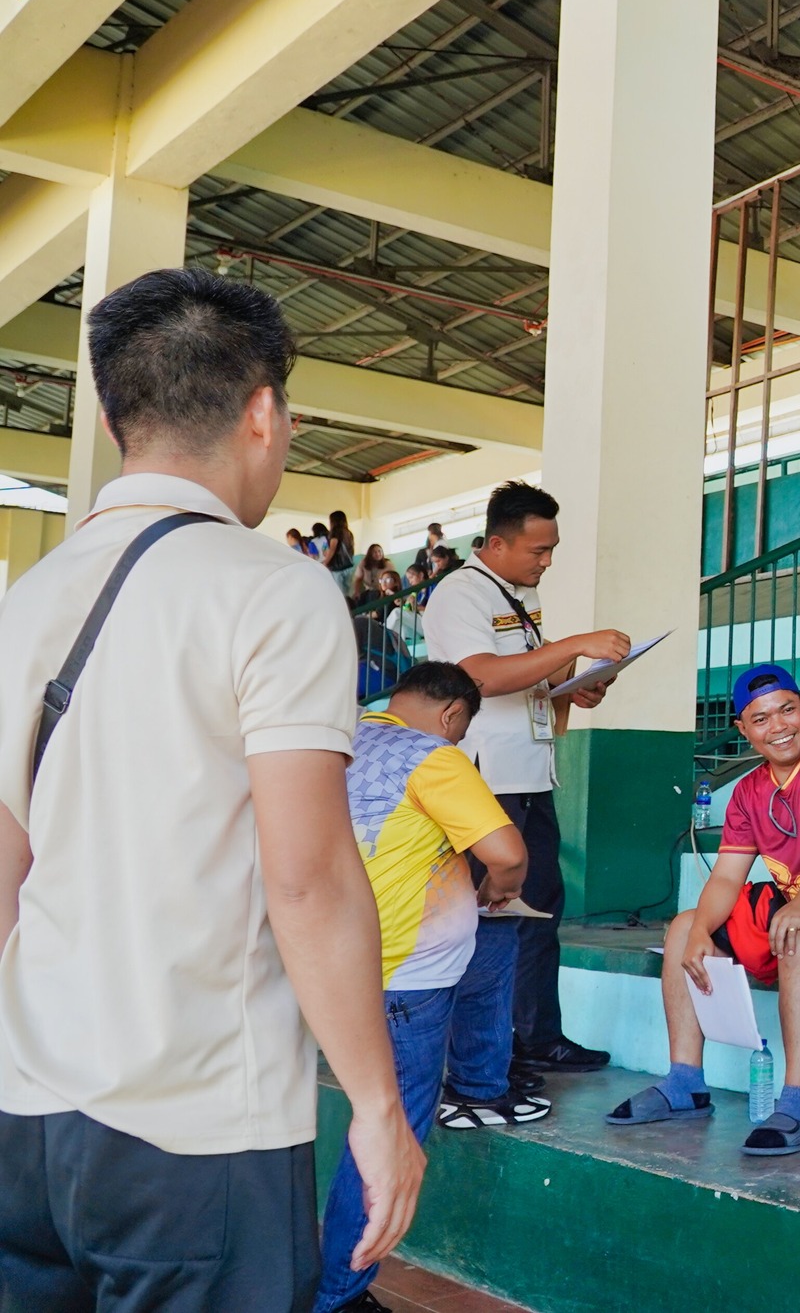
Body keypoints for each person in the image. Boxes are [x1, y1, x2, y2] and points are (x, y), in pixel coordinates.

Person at [0, 269, 421, 1306]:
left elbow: (7, 861)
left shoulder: (29, 597)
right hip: (195, 1130)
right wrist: (378, 1105)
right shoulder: (273, 590)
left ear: (114, 417)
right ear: (264, 413)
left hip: (27, 1117)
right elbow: (308, 878)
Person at [607, 665, 800, 1153]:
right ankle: (685, 1082)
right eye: (761, 719)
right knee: (684, 929)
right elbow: (725, 877)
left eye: (787, 710)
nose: (778, 726)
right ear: (743, 729)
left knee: (798, 933)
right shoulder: (747, 791)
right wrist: (702, 928)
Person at [316, 662, 529, 1313]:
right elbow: (508, 853)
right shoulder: (433, 755)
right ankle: (337, 1297)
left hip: (326, 964)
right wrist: (499, 889)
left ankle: (482, 1081)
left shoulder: (340, 739)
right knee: (388, 1133)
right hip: (403, 980)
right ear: (451, 714)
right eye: (460, 730)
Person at [422, 480, 628, 1091]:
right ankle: (486, 1056)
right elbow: (480, 677)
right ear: (496, 544)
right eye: (538, 550)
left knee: (539, 910)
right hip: (486, 780)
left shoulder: (517, 594)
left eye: (552, 548)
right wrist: (575, 644)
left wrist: (570, 685)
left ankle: (539, 1038)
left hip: (532, 774)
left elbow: (525, 674)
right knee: (492, 918)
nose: (547, 561)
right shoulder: (459, 593)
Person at [325, 508, 358, 592]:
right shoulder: (349, 533)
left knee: (339, 592)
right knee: (348, 592)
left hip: (338, 568)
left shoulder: (335, 532)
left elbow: (332, 549)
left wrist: (325, 563)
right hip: (349, 565)